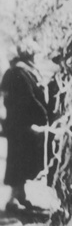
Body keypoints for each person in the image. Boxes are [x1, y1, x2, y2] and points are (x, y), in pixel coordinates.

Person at [0, 40, 48, 211]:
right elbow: (29, 99)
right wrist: (45, 115)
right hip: (19, 125)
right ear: (29, 55)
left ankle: (20, 195)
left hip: (18, 124)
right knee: (17, 161)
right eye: (34, 55)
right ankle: (12, 199)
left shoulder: (18, 71)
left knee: (20, 161)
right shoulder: (19, 73)